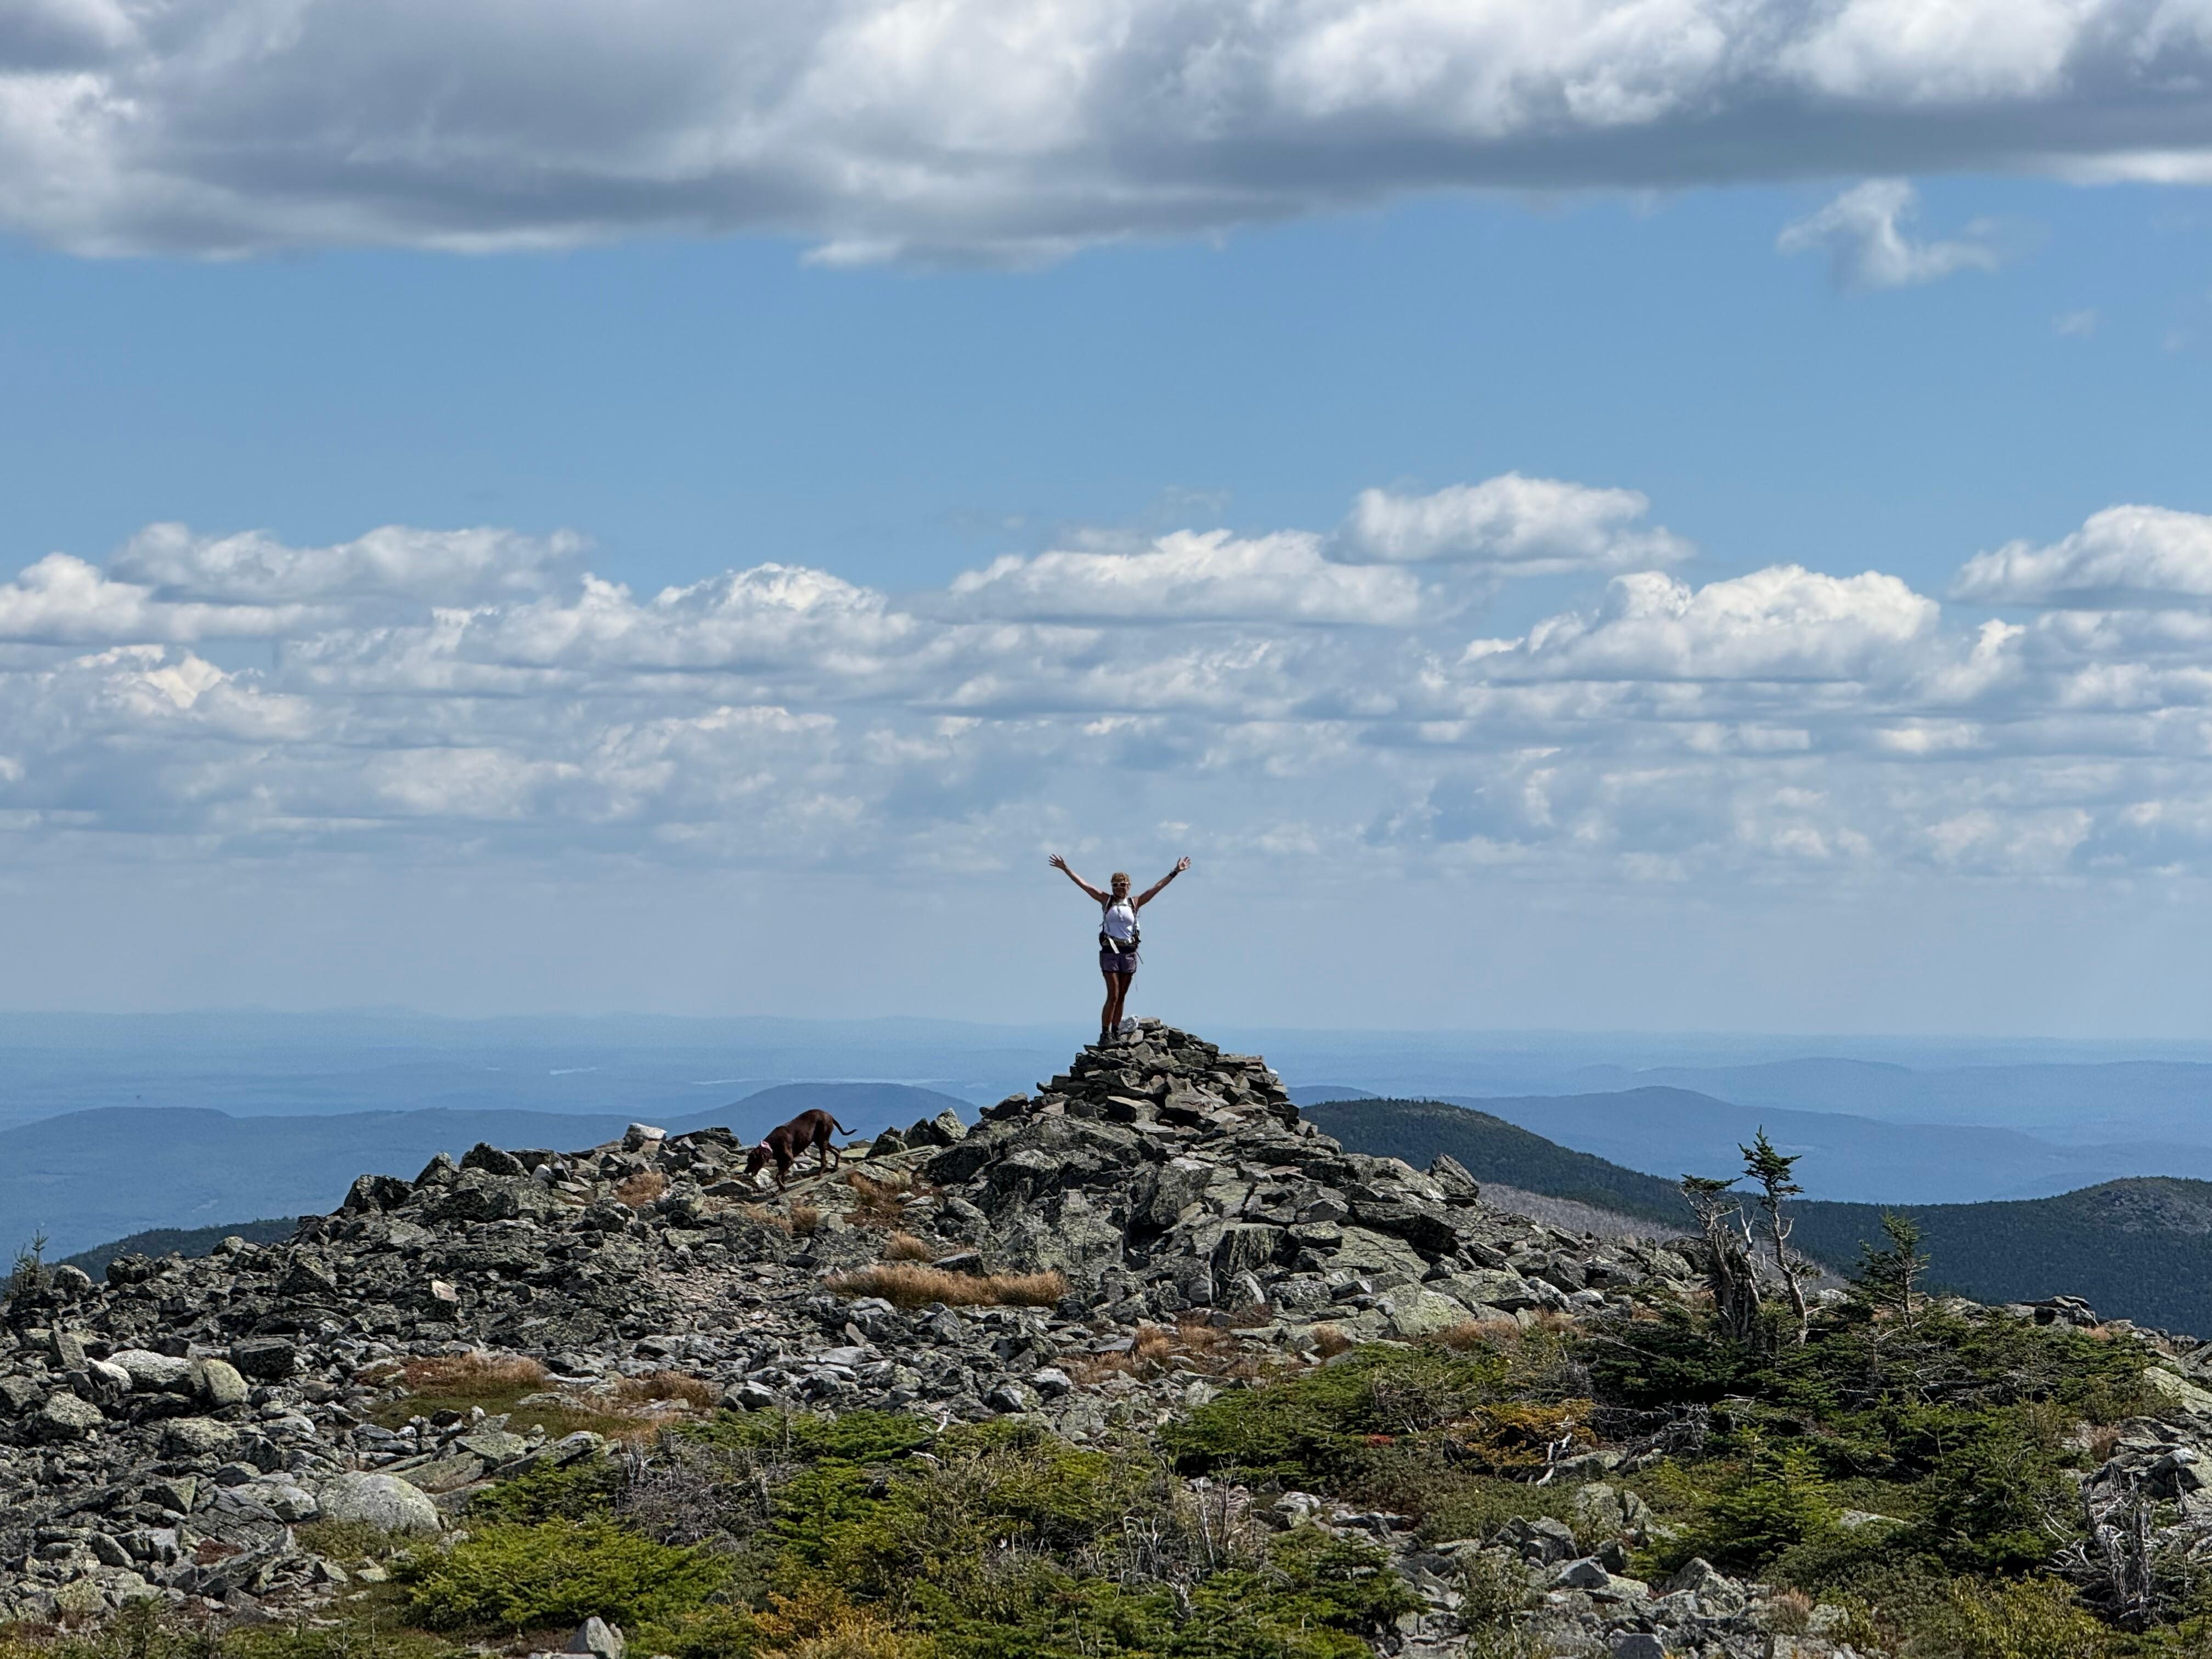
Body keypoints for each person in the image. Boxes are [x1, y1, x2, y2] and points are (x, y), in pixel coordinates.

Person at [1047, 853, 1191, 1046]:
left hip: (1129, 953)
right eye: (1115, 885)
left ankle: (1115, 1032)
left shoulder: (1135, 903)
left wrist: (1176, 872)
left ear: (1129, 886)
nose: (1119, 888)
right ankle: (1105, 1033)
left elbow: (1157, 888)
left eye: (1123, 885)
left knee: (1122, 995)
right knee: (1113, 994)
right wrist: (1066, 869)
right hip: (1110, 953)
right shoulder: (1106, 901)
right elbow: (1085, 885)